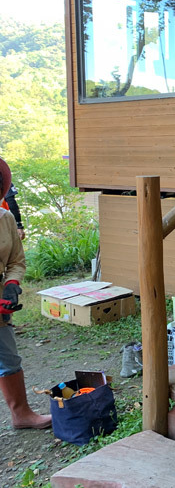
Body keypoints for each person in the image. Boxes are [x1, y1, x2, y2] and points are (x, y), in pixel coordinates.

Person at [0, 158, 50, 429]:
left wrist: (11, 285)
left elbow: (16, 261)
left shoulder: (5, 218)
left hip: (0, 298)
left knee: (7, 357)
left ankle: (21, 414)